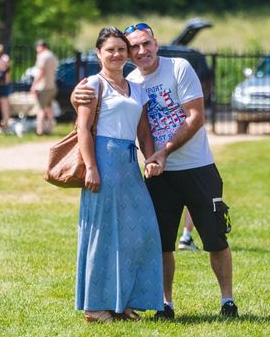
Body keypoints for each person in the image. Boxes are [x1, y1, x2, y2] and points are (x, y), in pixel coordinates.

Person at [72, 22, 237, 318]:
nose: (140, 50)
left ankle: (227, 301)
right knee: (158, 242)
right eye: (132, 46)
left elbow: (193, 118)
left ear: (156, 43)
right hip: (151, 172)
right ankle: (164, 304)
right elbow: (92, 120)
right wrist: (76, 97)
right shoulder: (125, 80)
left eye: (145, 43)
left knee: (215, 238)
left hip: (195, 166)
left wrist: (160, 154)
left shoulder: (177, 68)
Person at [75, 26, 164, 323]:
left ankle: (122, 301)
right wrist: (91, 167)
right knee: (103, 233)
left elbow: (144, 131)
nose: (116, 54)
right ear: (98, 53)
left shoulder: (136, 88)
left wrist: (150, 158)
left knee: (138, 232)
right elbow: (82, 129)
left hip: (128, 164)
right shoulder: (93, 84)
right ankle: (95, 307)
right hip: (103, 160)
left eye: (121, 49)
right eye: (110, 49)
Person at [30, 40, 58, 135]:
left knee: (40, 108)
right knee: (48, 108)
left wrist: (34, 85)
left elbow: (41, 72)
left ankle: (40, 130)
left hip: (43, 87)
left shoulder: (42, 56)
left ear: (41, 47)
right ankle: (50, 127)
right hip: (52, 86)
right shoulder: (52, 56)